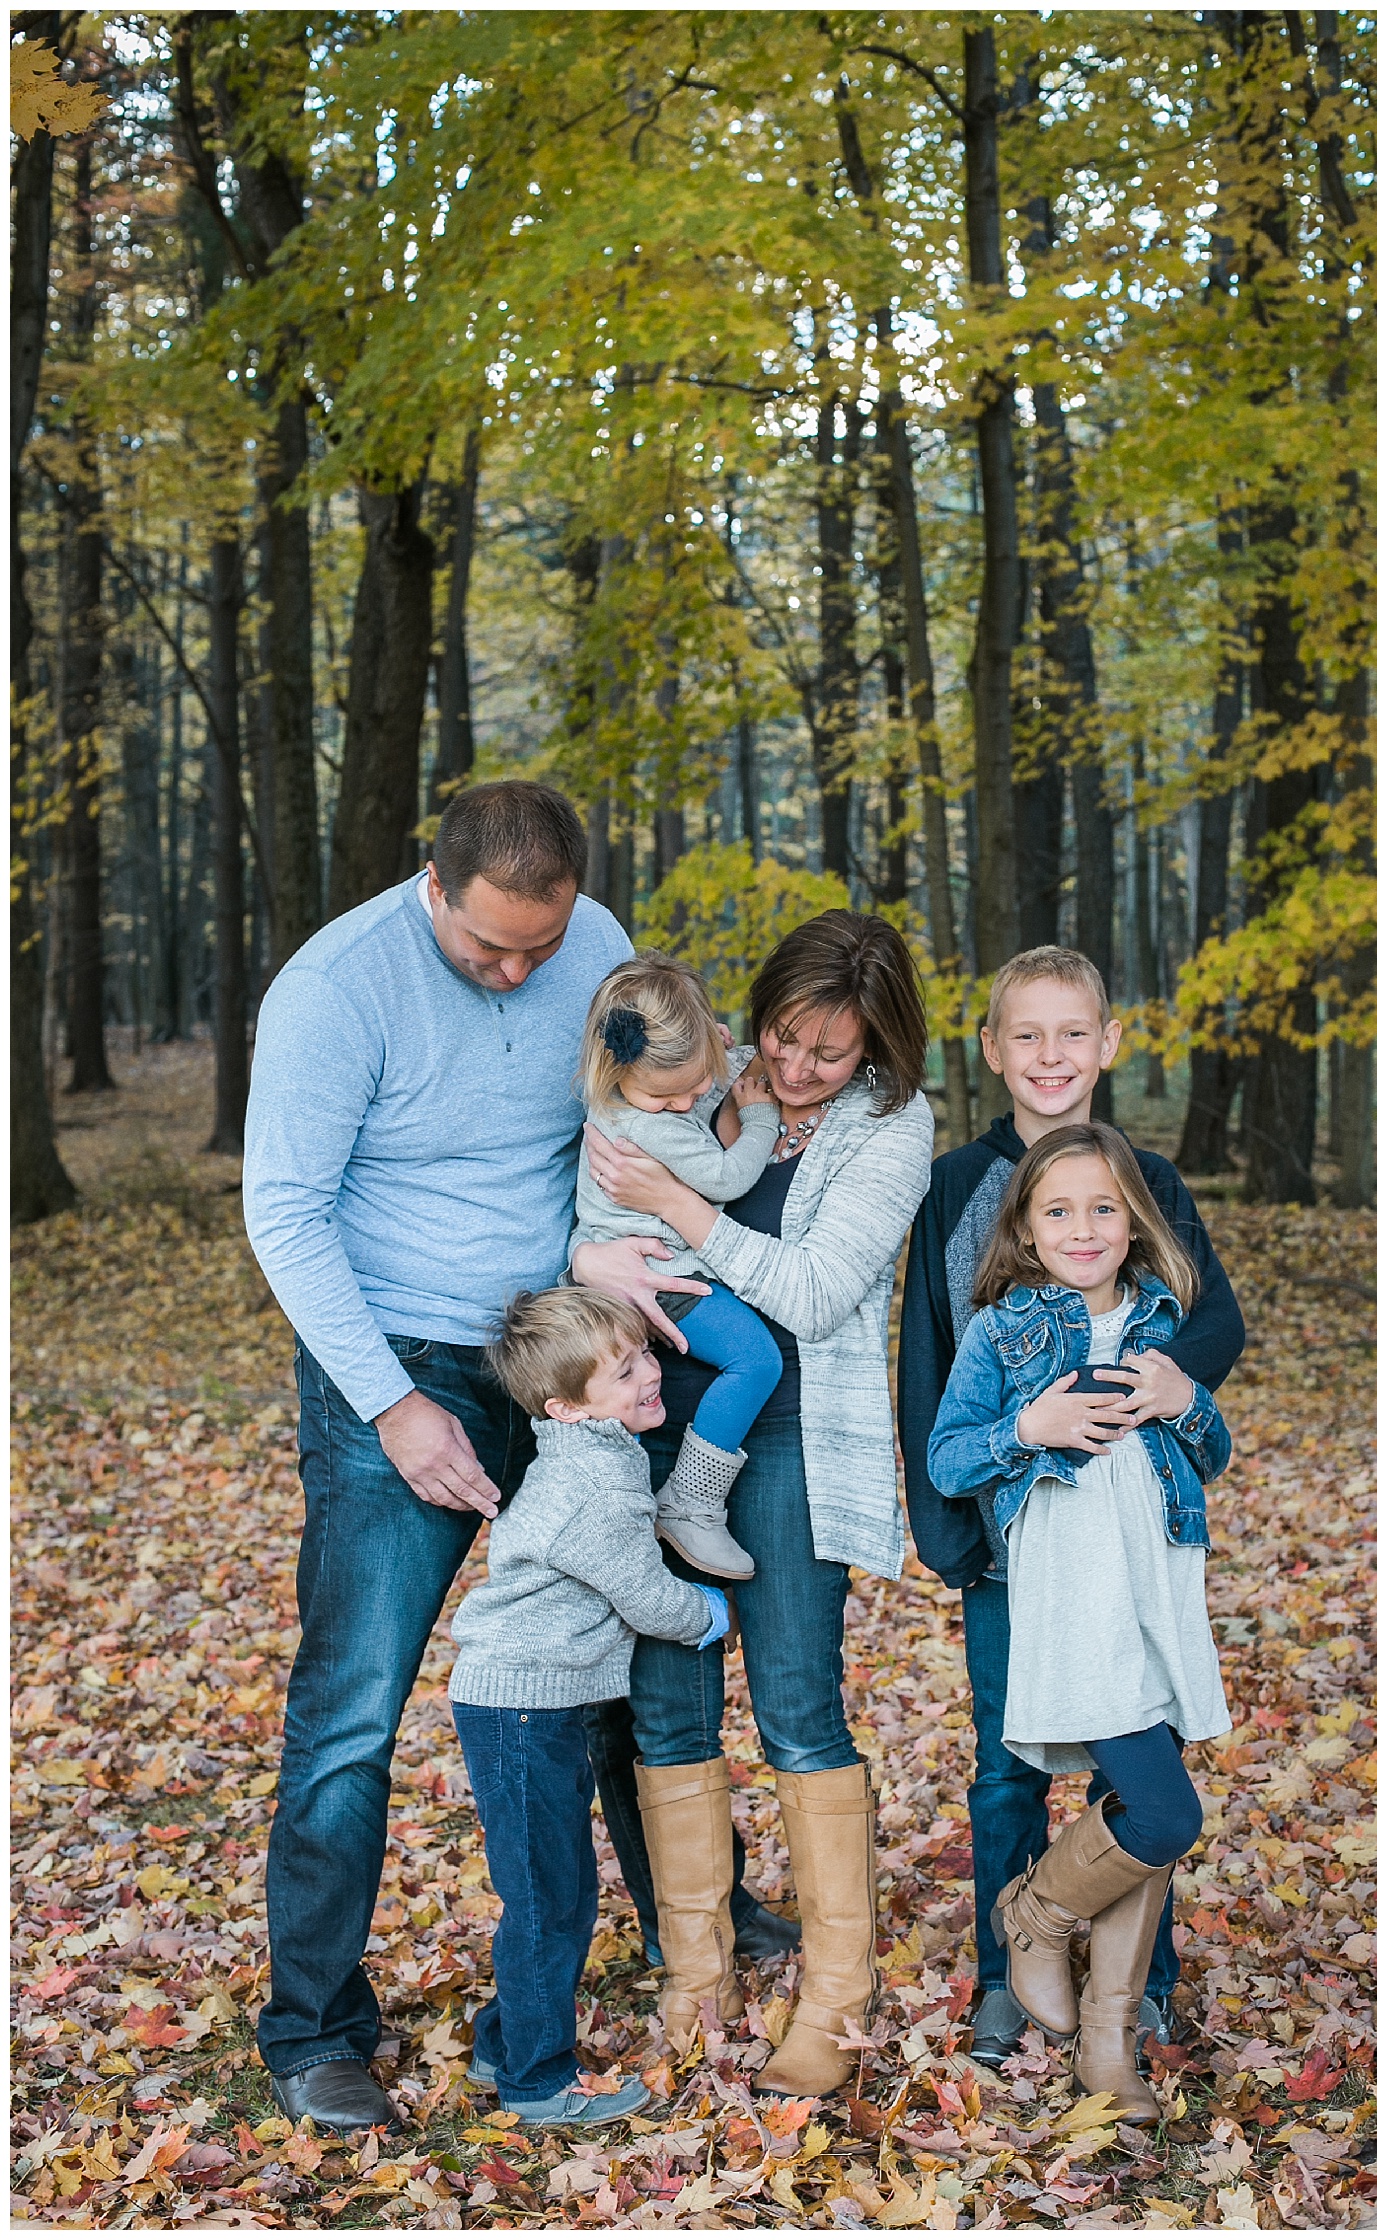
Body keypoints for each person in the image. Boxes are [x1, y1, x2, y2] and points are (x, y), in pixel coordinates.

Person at [240, 780, 782, 2134]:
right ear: (435, 883)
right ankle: (314, 2028)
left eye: (541, 949)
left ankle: (688, 1916)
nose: (522, 971)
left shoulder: (590, 941)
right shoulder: (336, 991)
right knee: (353, 1704)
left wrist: (600, 1245)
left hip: (565, 1355)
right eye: (493, 948)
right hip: (403, 1365)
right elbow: (286, 1215)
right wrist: (389, 1407)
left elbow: (629, 1108)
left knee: (605, 1650)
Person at [578, 910, 933, 2093]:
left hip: (784, 1439)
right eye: (783, 1035)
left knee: (793, 1704)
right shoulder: (700, 1073)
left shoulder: (892, 1125)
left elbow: (821, 1291)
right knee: (670, 1711)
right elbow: (585, 1209)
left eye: (828, 1053)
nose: (793, 1067)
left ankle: (834, 1994)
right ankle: (697, 1978)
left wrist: (682, 1213)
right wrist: (593, 1258)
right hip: (647, 1419)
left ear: (876, 1046)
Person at [898, 946, 1244, 2067]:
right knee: (1008, 1765)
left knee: (1134, 1762)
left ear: (1108, 1044)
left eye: (1073, 1033)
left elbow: (1213, 1323)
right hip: (1013, 1536)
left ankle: (1134, 1983)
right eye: (1027, 1036)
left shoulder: (1147, 1178)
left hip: (1130, 1536)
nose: (1052, 1056)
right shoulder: (957, 1185)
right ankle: (1008, 1977)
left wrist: (1166, 1382)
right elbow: (930, 1360)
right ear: (993, 1051)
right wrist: (950, 1528)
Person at [448, 1287, 731, 2127]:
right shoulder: (593, 1487)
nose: (650, 1374)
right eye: (622, 1372)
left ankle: (503, 2041)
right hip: (522, 1709)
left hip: (533, 1704)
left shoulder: (590, 1454)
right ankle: (537, 2079)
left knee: (549, 1885)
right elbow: (647, 1598)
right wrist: (710, 1614)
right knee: (549, 1895)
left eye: (642, 1353)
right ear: (564, 1407)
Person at [574, 955, 785, 1579]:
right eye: (670, 1096)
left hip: (618, 1274)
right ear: (619, 1070)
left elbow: (693, 1085)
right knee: (755, 1359)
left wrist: (719, 1068)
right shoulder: (649, 1125)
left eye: (698, 1085)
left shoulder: (628, 1091)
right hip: (659, 1280)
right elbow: (726, 1176)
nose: (688, 1103)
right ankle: (692, 1500)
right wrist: (762, 1116)